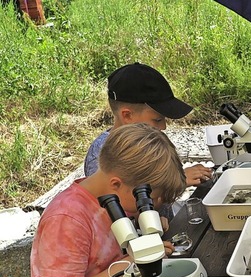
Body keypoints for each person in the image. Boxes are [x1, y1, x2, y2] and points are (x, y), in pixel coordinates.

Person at [31, 123, 187, 277]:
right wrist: (132, 262)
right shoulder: (67, 219)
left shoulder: (109, 198)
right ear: (116, 184)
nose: (154, 206)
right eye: (150, 198)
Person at [84, 62, 212, 217]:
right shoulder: (102, 156)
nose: (164, 126)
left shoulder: (145, 141)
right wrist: (176, 183)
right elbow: (118, 216)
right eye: (157, 120)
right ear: (127, 115)